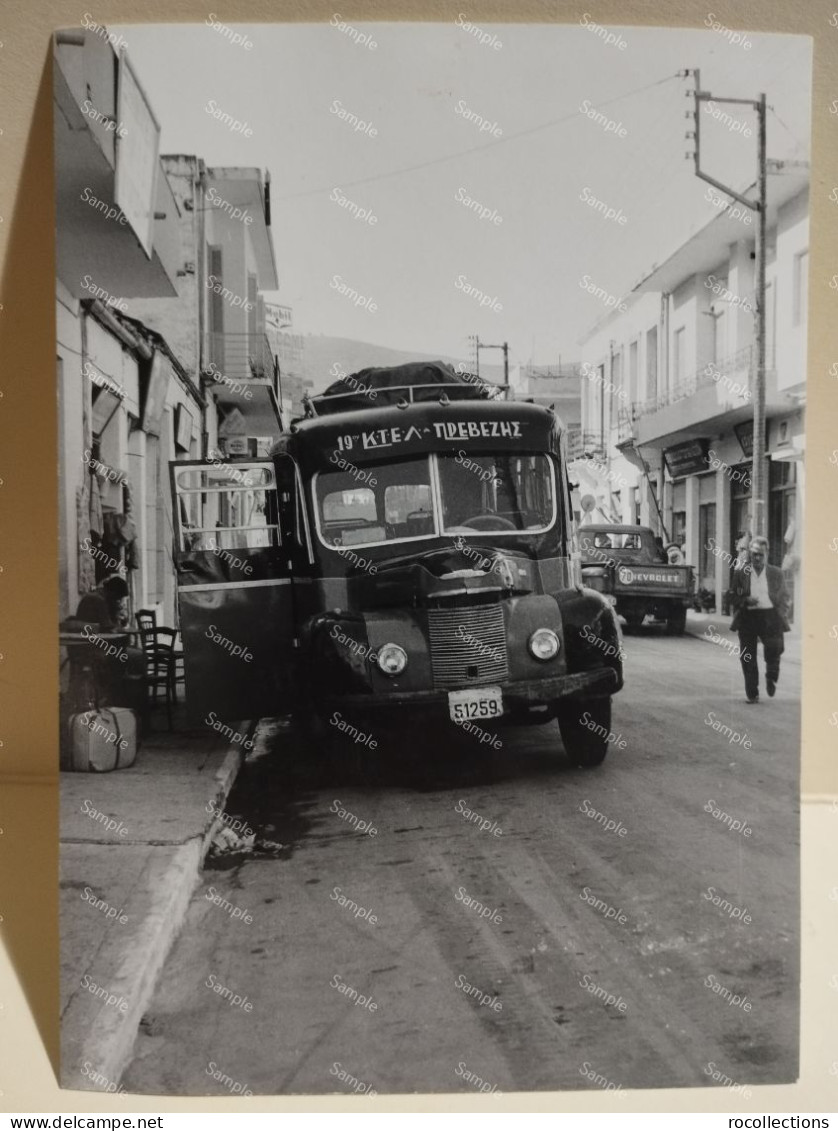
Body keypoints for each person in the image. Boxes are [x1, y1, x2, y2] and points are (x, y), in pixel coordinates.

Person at [729, 535, 790, 703]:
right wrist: (744, 599)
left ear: (767, 554)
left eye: (760, 554)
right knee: (747, 655)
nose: (757, 558)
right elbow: (732, 595)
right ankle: (752, 692)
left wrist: (782, 613)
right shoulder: (741, 572)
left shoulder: (776, 573)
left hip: (770, 616)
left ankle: (771, 677)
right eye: (754, 553)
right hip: (748, 617)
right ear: (749, 553)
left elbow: (785, 596)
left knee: (774, 650)